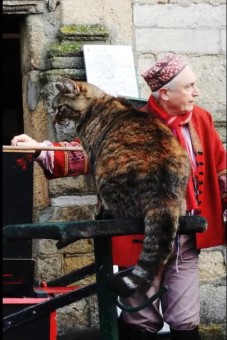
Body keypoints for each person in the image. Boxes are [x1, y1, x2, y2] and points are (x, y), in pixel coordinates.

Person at [11, 53, 226, 340]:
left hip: (186, 237)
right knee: (141, 320)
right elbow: (80, 155)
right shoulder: (130, 117)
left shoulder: (200, 118)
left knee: (185, 318)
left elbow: (221, 169)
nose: (196, 92)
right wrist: (39, 148)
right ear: (164, 93)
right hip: (137, 233)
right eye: (189, 87)